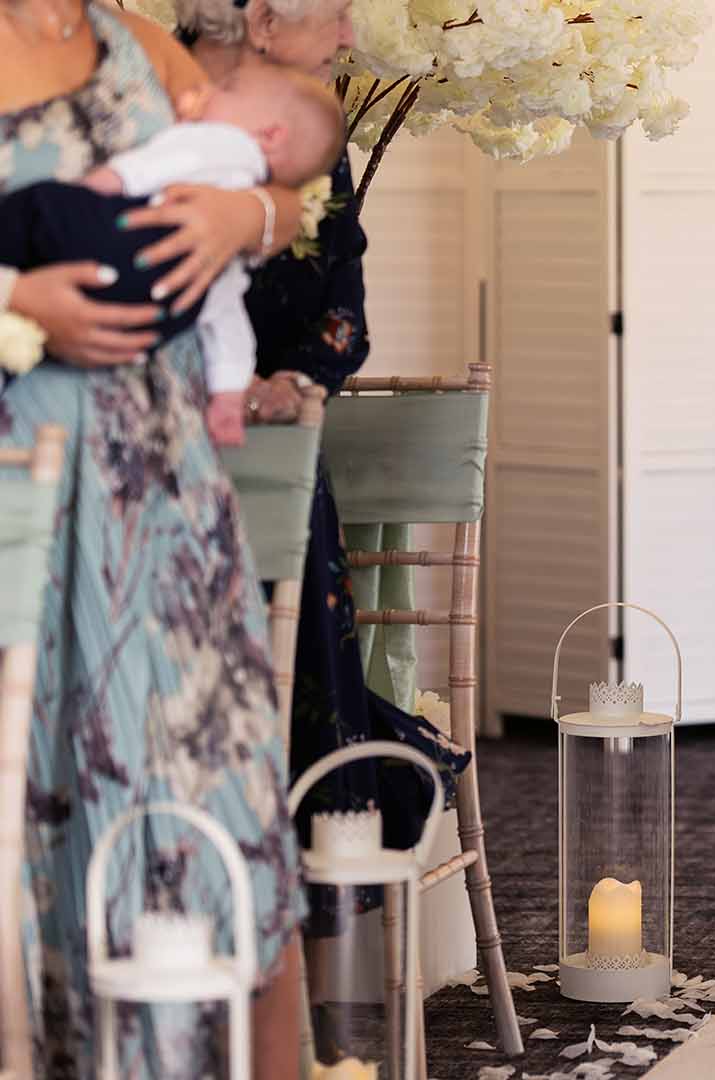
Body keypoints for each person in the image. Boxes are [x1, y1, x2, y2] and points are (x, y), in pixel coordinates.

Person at [0, 0, 310, 1075]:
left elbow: (276, 183)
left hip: (171, 497)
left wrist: (247, 221)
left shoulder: (138, 39)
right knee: (34, 804)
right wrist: (17, 297)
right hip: (19, 497)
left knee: (224, 795)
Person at [169, 0, 470, 947]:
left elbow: (345, 295)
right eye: (336, 14)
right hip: (156, 438)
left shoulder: (314, 123)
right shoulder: (147, 102)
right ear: (260, 20)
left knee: (298, 662)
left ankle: (284, 927)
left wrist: (297, 377)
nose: (348, 34)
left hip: (281, 446)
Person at [0, 61, 346, 446]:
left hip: (122, 240)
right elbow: (228, 319)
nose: (202, 93)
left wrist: (95, 186)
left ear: (270, 134)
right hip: (156, 310)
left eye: (225, 91)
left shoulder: (221, 142)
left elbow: (154, 165)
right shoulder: (231, 229)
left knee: (36, 210)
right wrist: (229, 396)